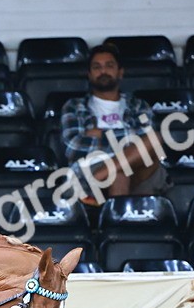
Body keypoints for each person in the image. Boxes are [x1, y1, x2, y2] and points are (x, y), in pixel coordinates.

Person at [59, 44, 168, 199]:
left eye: (109, 66)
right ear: (89, 74)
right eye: (97, 67)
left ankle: (100, 175)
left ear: (120, 72)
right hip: (89, 168)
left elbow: (148, 139)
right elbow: (73, 147)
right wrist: (128, 140)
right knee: (119, 175)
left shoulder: (138, 106)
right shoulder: (74, 106)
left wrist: (100, 135)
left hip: (137, 167)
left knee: (155, 138)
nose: (103, 71)